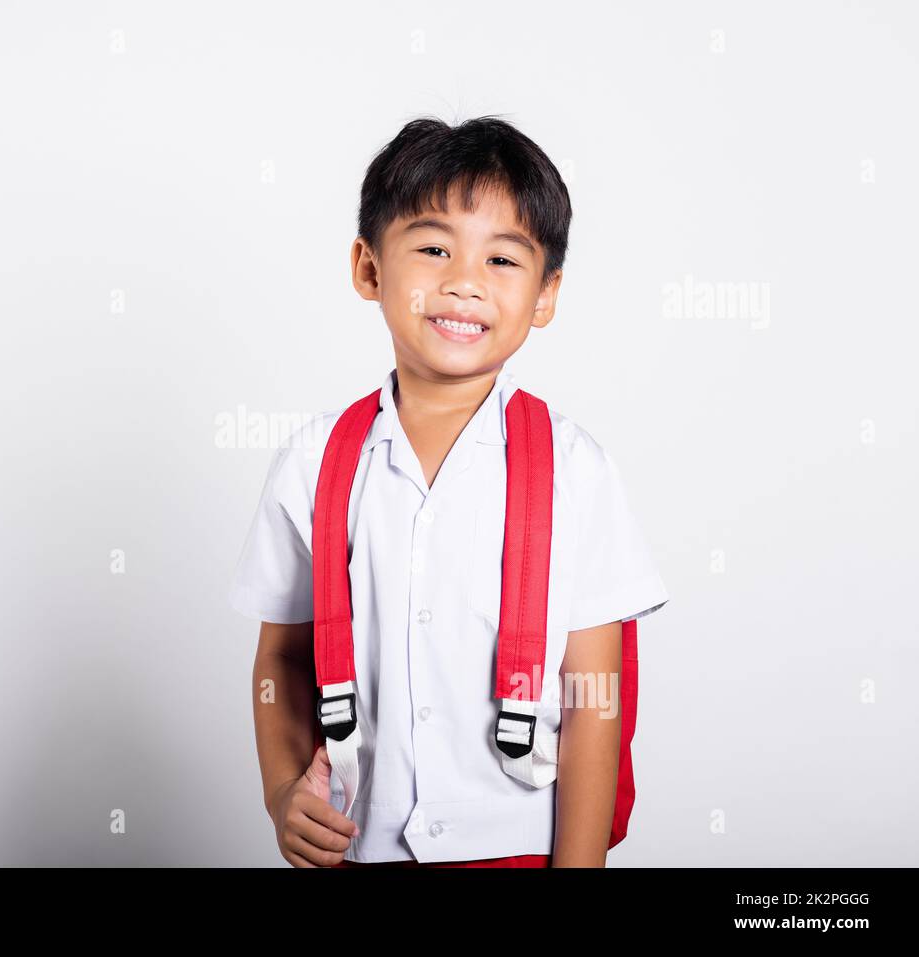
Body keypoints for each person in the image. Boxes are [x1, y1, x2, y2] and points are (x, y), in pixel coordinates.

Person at [228, 116, 670, 867]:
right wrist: (280, 794)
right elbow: (282, 658)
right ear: (369, 268)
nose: (464, 280)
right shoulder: (312, 462)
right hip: (356, 846)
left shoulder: (576, 469)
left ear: (545, 294)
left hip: (523, 852)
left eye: (502, 258)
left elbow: (595, 694)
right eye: (434, 248)